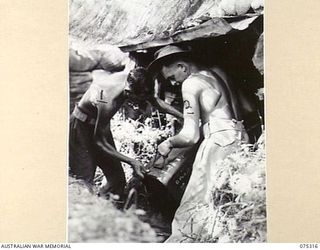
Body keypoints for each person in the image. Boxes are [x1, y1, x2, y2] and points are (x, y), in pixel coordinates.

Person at [148, 45, 249, 242]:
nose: (174, 84)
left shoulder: (190, 83)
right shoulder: (219, 73)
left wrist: (168, 143)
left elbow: (190, 135)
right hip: (240, 139)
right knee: (228, 208)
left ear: (182, 66)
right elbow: (247, 107)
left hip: (218, 144)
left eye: (171, 78)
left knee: (191, 214)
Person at [69, 66, 183, 202]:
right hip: (81, 128)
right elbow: (99, 141)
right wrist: (131, 161)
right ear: (129, 92)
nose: (139, 103)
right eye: (138, 99)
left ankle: (107, 210)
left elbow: (154, 100)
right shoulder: (107, 100)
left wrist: (183, 116)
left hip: (100, 126)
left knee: (117, 180)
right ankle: (88, 215)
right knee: (84, 183)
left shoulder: (135, 78)